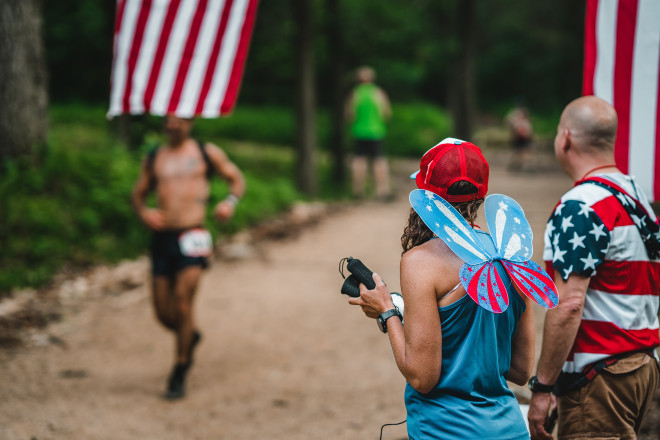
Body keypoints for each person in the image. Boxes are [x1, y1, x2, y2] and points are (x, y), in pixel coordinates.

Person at [348, 138, 536, 439]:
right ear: (481, 193)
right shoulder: (512, 256)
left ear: (425, 195)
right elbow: (521, 370)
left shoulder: (420, 261)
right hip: (509, 430)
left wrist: (387, 312)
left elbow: (423, 376)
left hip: (445, 430)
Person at [527, 96, 660, 439]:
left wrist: (543, 386)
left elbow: (569, 303)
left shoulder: (580, 206)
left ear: (566, 138)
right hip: (641, 364)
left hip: (600, 376)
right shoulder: (634, 196)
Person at [132, 114, 245, 399]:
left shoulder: (206, 152)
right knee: (163, 313)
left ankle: (179, 371)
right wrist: (144, 212)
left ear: (190, 122)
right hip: (162, 238)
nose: (173, 124)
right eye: (168, 119)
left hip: (192, 236)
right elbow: (139, 193)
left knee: (182, 304)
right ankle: (189, 336)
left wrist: (229, 203)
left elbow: (235, 179)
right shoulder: (155, 156)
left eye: (179, 119)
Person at [344, 66, 392, 200]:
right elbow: (387, 113)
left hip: (359, 131)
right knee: (379, 160)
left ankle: (357, 191)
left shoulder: (355, 94)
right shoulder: (378, 93)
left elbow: (349, 114)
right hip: (377, 131)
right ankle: (383, 191)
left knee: (359, 160)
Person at [505, 99, 534, 171]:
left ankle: (523, 166)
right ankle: (516, 165)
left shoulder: (521, 115)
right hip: (518, 137)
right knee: (518, 152)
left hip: (523, 137)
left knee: (524, 152)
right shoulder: (515, 115)